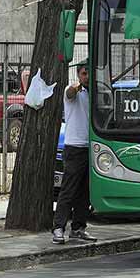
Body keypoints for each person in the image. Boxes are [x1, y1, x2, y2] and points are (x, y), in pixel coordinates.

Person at [53, 60, 97, 244]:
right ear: (79, 75)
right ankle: (58, 227)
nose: (87, 77)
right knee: (68, 190)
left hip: (91, 147)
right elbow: (70, 93)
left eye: (89, 74)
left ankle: (79, 227)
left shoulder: (94, 94)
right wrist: (79, 84)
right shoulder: (71, 92)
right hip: (74, 147)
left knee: (85, 191)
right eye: (84, 74)